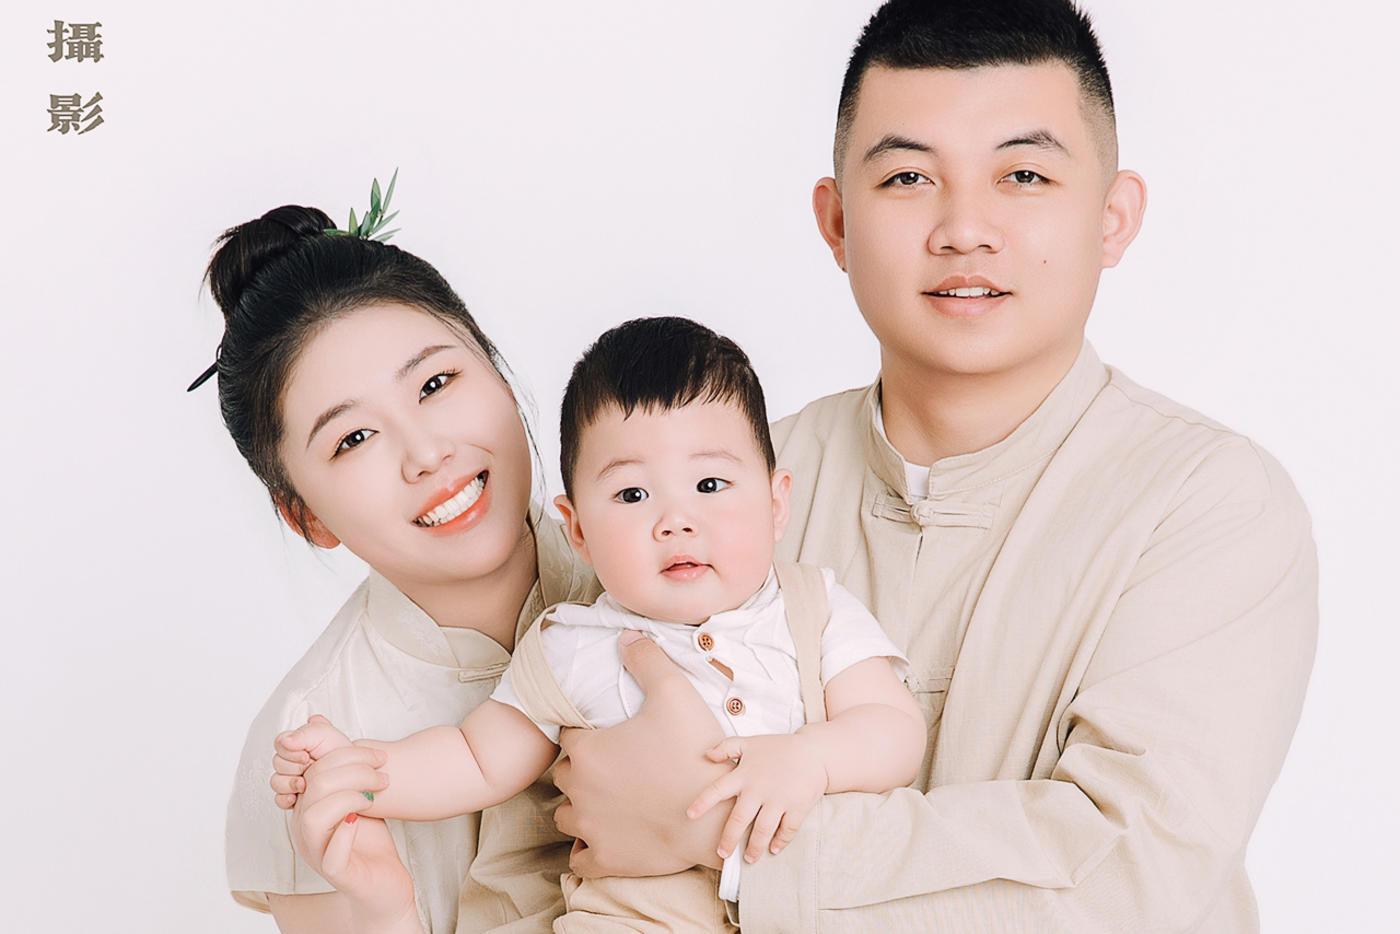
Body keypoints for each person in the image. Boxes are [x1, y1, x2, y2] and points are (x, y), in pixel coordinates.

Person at [548, 2, 1319, 931]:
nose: (964, 228)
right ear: (837, 222)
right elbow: (557, 828)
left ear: (1113, 219)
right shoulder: (705, 492)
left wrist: (713, 832)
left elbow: (1125, 873)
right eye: (908, 177)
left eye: (1024, 174)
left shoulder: (1208, 503)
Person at [272, 316, 925, 933]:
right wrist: (362, 771)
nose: (676, 521)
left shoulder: (815, 608)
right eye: (633, 495)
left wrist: (810, 757)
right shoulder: (572, 645)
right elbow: (476, 758)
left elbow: (894, 729)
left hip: (806, 906)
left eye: (710, 485)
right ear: (579, 528)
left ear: (777, 503)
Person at [203, 201, 601, 934]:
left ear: (497, 372)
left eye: (435, 384)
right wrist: (384, 912)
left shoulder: (673, 561)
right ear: (306, 516)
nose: (426, 453)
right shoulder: (305, 755)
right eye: (354, 438)